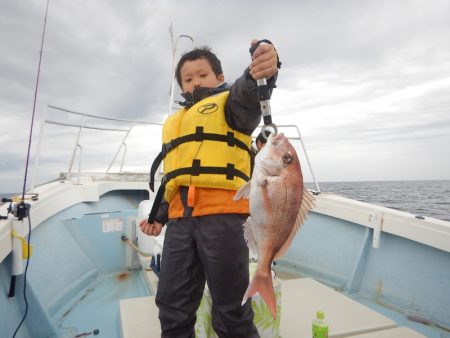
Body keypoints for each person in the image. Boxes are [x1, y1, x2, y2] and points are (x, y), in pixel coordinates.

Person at [139, 39, 279, 338]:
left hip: (224, 220)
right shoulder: (176, 123)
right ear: (181, 88)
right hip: (179, 225)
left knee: (231, 309)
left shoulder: (232, 106)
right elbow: (174, 180)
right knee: (171, 304)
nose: (195, 82)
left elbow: (248, 93)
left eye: (202, 75)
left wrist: (260, 71)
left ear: (219, 78)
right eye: (187, 79)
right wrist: (159, 216)